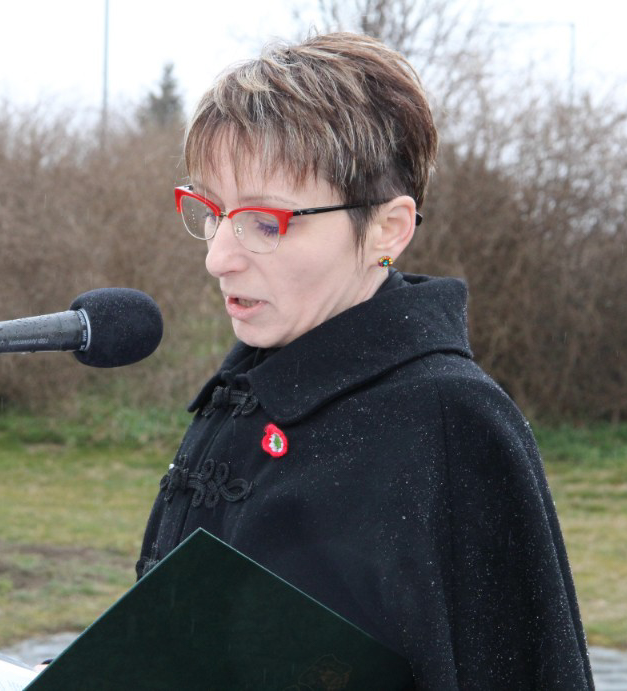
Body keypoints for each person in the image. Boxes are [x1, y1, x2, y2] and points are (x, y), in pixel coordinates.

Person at [136, 32, 594, 689]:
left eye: (264, 221)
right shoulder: (243, 390)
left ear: (386, 229)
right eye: (210, 210)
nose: (217, 257)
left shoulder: (451, 422)